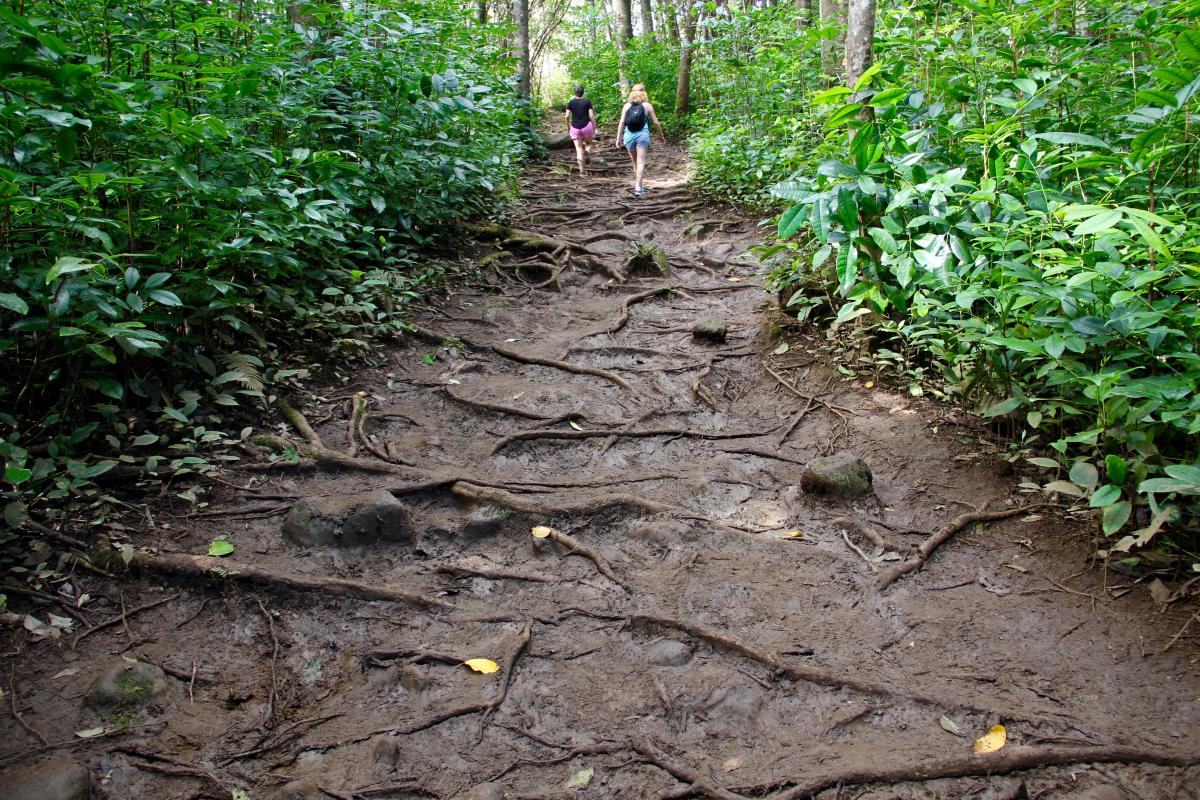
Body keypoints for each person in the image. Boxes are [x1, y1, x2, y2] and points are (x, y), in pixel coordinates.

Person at [614, 83, 666, 196]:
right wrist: (661, 135)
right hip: (642, 136)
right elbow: (656, 123)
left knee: (634, 161)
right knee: (641, 161)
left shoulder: (626, 106)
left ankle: (639, 186)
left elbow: (622, 122)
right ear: (644, 93)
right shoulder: (647, 105)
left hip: (629, 136)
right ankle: (638, 187)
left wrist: (618, 138)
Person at [564, 86, 598, 177]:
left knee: (579, 149)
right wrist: (595, 127)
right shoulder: (587, 102)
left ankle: (582, 172)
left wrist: (568, 126)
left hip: (575, 127)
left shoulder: (571, 102)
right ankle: (587, 151)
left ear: (575, 93)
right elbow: (591, 116)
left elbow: (567, 116)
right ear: (583, 92)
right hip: (586, 126)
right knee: (589, 144)